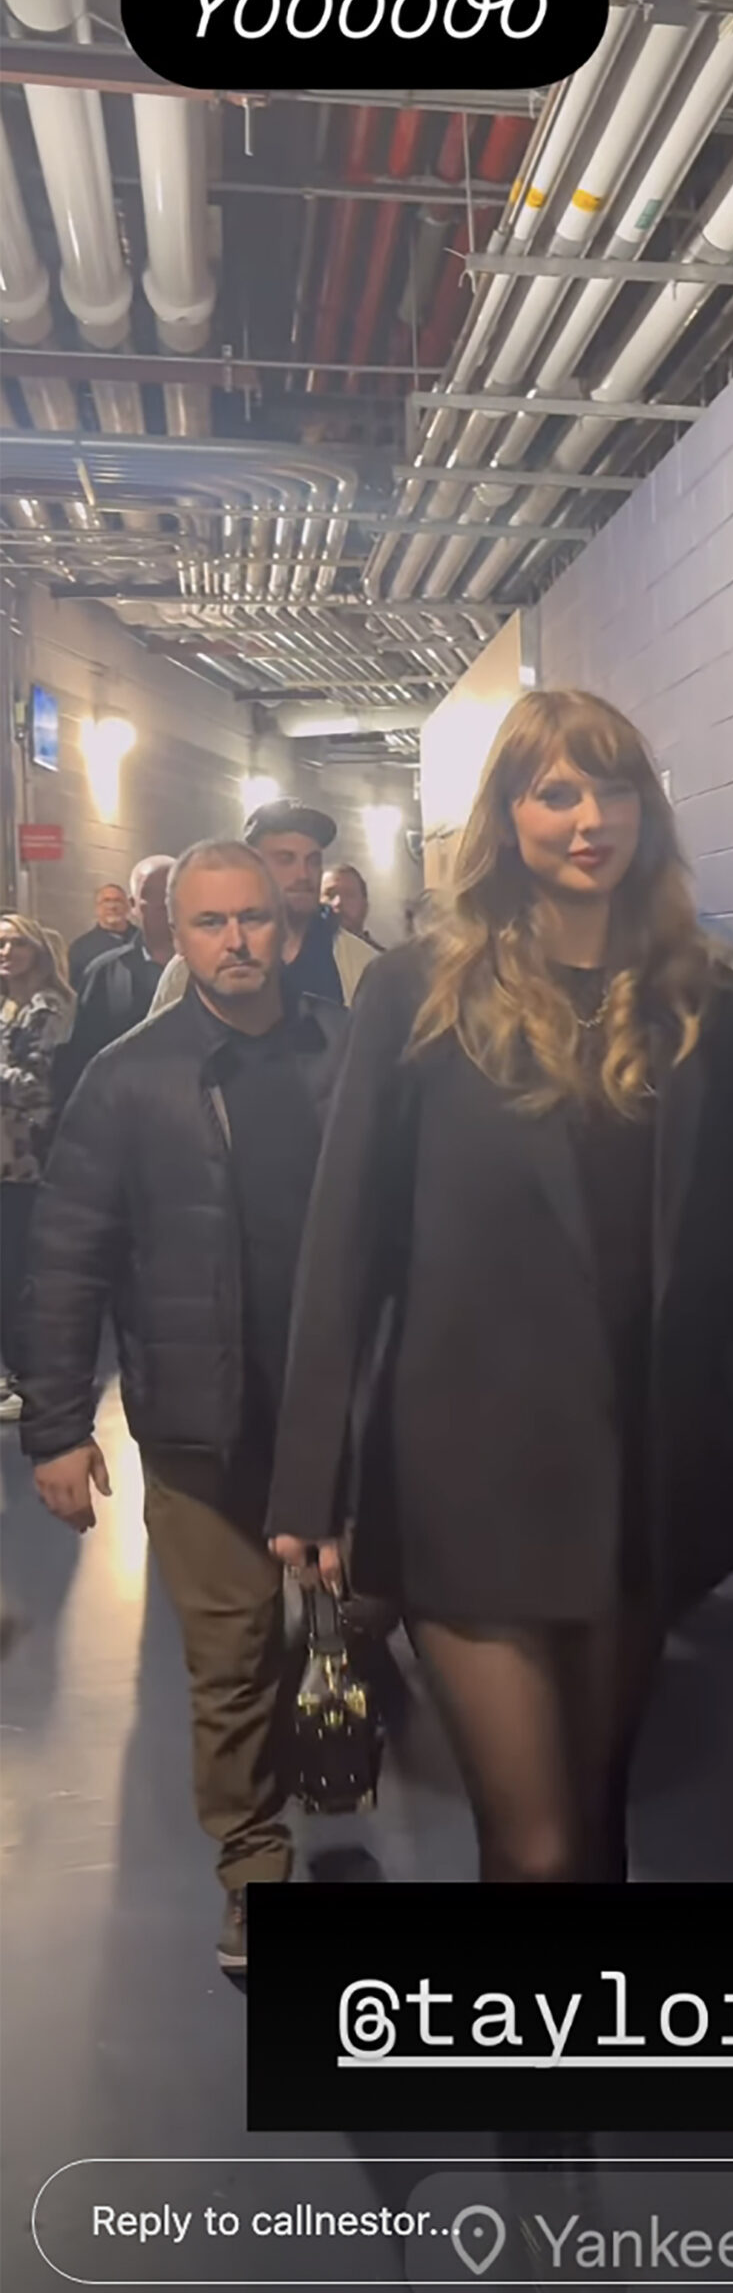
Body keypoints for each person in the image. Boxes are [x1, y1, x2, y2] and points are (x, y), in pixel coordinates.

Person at [265, 689, 733, 1885]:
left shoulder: (700, 1000)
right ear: (506, 816)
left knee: (602, 1818)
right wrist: (310, 1483)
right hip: (470, 1477)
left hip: (641, 1475)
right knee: (537, 1842)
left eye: (612, 789)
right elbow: (342, 1241)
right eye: (556, 791)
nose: (588, 818)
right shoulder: (419, 993)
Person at [19, 843, 350, 1973]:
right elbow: (67, 1260)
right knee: (229, 1659)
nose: (236, 941)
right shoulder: (129, 1077)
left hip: (343, 1420)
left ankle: (342, 1736)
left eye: (253, 918)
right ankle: (256, 1870)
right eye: (210, 922)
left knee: (360, 1624)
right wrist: (57, 1427)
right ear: (177, 932)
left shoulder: (349, 1061)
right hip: (202, 1430)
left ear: (288, 928)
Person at [152, 803, 377, 1014]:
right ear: (254, 866)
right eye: (285, 859)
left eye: (313, 861)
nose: (304, 875)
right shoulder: (189, 970)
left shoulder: (360, 964)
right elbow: (158, 1046)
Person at [0, 914, 75, 1421]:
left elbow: (33, 1084)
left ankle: (24, 1373)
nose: (5, 953)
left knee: (17, 1268)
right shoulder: (6, 1006)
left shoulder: (47, 1007)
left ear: (36, 950)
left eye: (14, 944)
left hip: (24, 1157)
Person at [59, 855, 175, 1096]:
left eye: (170, 892)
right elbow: (79, 1054)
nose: (162, 904)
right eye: (150, 894)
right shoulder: (104, 973)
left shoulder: (213, 965)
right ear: (132, 906)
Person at [68, 882, 134, 988]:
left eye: (118, 901)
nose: (112, 906)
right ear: (97, 908)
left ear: (128, 906)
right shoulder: (81, 948)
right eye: (106, 901)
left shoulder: (145, 940)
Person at [322, 863, 383, 950]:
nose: (337, 903)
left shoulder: (384, 961)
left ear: (364, 906)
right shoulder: (301, 958)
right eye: (330, 895)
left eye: (349, 895)